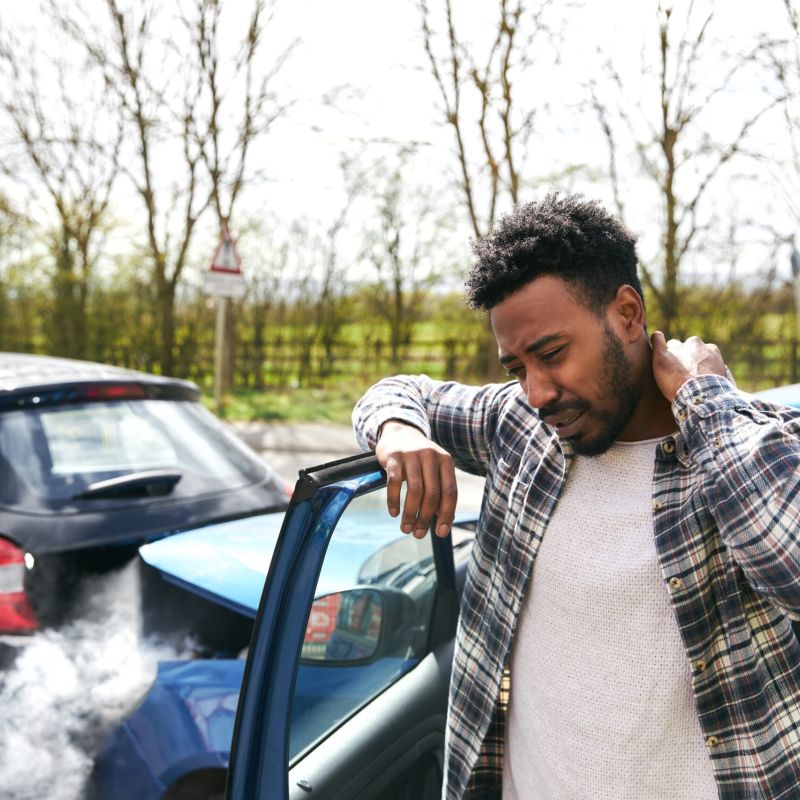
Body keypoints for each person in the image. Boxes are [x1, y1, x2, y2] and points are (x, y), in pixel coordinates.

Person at [351, 193, 800, 800]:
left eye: (552, 354)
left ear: (627, 314)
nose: (536, 392)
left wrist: (707, 401)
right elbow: (396, 391)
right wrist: (398, 430)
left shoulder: (747, 444)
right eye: (517, 369)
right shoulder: (519, 428)